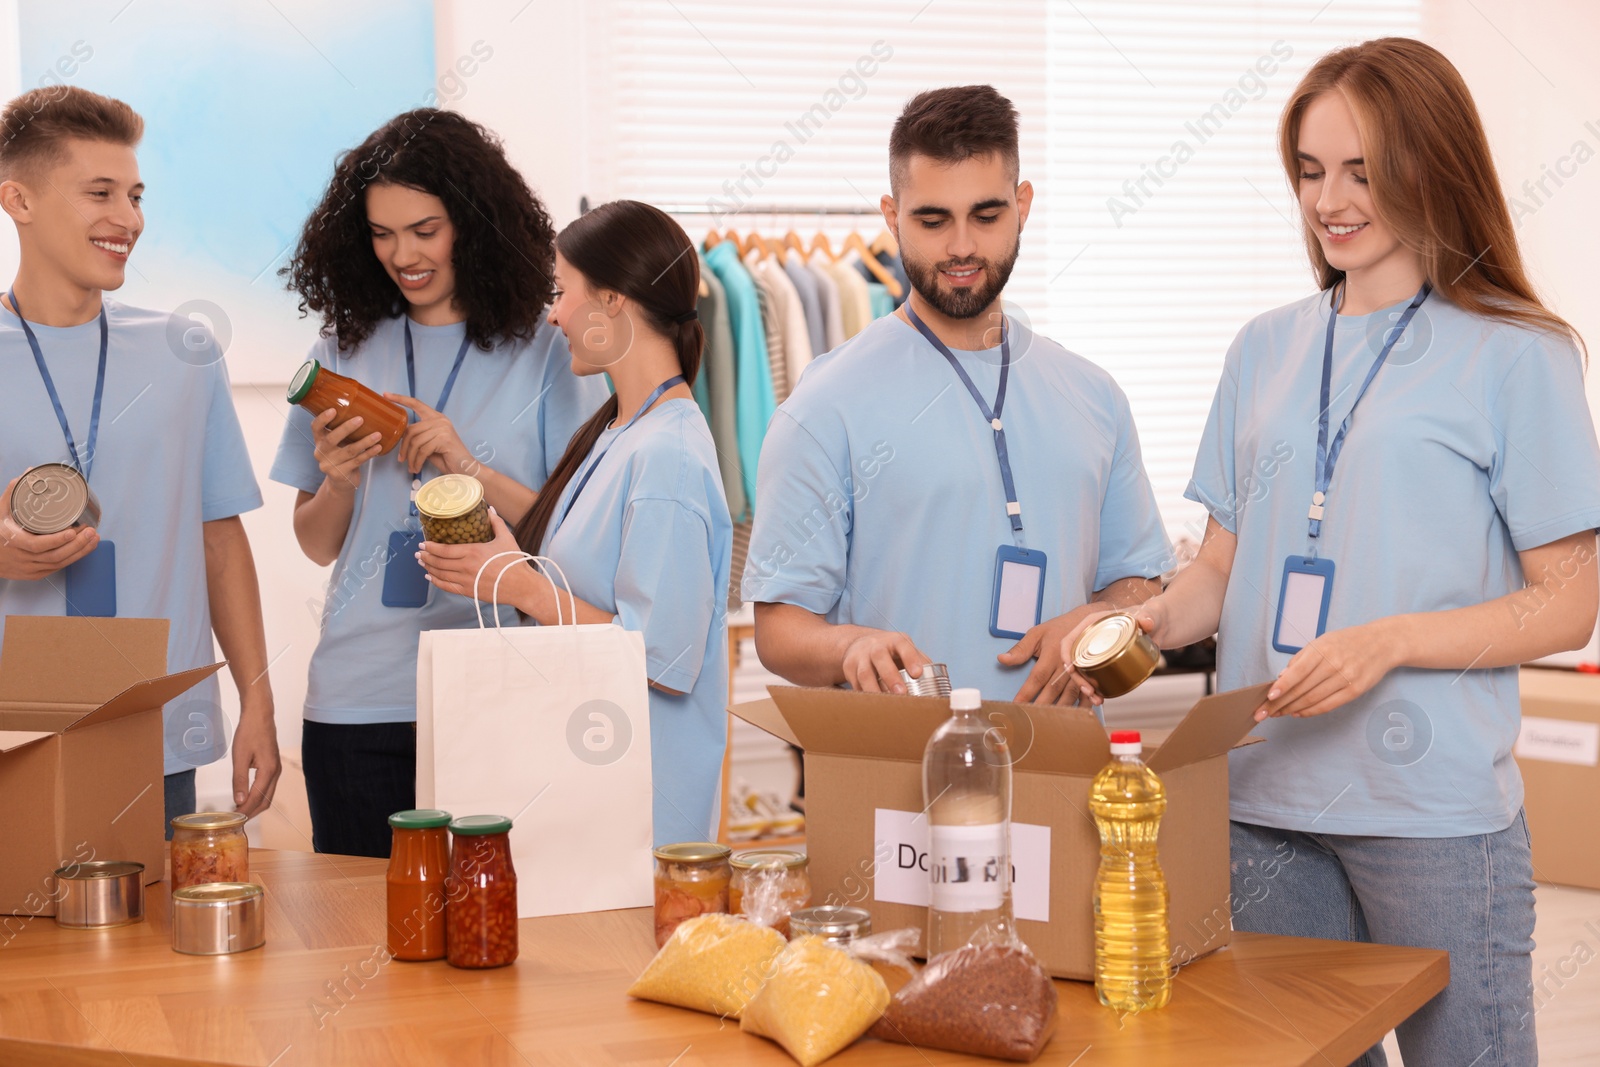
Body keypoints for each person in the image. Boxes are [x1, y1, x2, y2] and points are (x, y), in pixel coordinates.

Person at [1062, 38, 1600, 1066]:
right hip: (1264, 798)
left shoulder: (1518, 354)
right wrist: (1136, 623)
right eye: (1310, 171)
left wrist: (1389, 639)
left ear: (1430, 163)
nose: (1329, 199)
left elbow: (1568, 603)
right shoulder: (1263, 347)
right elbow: (1217, 573)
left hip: (1432, 813)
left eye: (1361, 169)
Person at [743, 85, 1170, 703]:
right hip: (900, 781)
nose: (963, 246)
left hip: (1064, 775)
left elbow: (1139, 582)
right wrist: (850, 646)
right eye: (933, 220)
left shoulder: (1095, 395)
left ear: (1023, 205)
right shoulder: (824, 406)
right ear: (892, 216)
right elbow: (779, 631)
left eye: (987, 215)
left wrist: (1098, 620)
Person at [270, 110, 606, 858]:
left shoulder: (545, 351)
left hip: (495, 686)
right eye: (382, 234)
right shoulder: (341, 349)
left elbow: (566, 532)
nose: (402, 255)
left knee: (491, 936)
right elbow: (316, 543)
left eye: (425, 229)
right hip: (356, 700)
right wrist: (340, 481)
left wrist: (467, 463)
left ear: (473, 223)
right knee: (365, 935)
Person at [0, 86, 279, 831]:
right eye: (100, 193)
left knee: (151, 945)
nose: (128, 219)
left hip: (154, 726)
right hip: (13, 731)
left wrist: (257, 698)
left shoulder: (184, 352)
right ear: (18, 200)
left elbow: (219, 541)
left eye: (134, 194)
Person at [420, 199, 732, 847]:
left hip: (642, 818)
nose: (554, 313)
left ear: (613, 300)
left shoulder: (666, 454)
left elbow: (662, 656)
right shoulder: (620, 431)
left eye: (563, 292)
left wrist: (520, 586)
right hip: (594, 786)